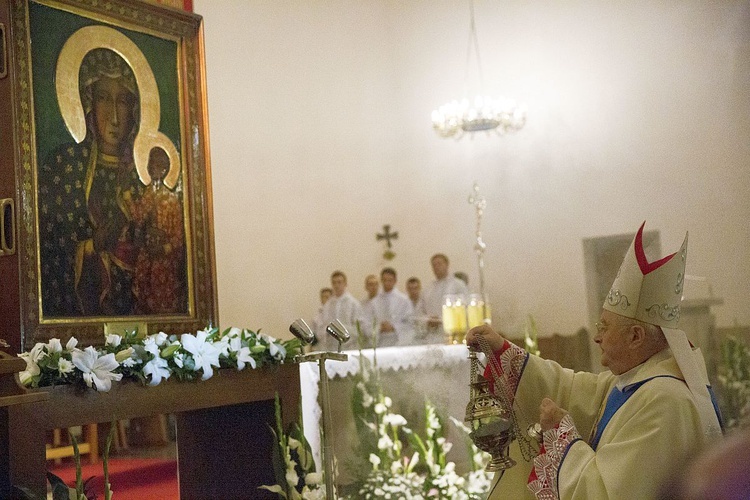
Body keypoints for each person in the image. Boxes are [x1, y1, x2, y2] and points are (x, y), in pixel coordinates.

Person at [466, 222, 722, 500]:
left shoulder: (664, 400)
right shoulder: (638, 380)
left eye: (605, 327)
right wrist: (504, 351)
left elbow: (607, 493)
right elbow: (573, 389)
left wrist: (560, 435)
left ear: (635, 336)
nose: (597, 337)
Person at [39, 48, 144, 316]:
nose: (114, 117)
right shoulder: (64, 166)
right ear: (88, 103)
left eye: (122, 101)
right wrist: (90, 247)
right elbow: (48, 250)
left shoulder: (142, 175)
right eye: (103, 99)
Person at [130, 146, 186, 314]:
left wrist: (162, 249)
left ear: (163, 169)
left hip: (164, 262)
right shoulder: (147, 195)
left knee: (163, 301)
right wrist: (126, 197)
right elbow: (138, 218)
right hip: (146, 257)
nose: (150, 168)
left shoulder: (171, 200)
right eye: (149, 163)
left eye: (155, 165)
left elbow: (178, 236)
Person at [362, 267, 414, 347]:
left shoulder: (404, 300)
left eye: (390, 280)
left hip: (398, 341)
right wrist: (379, 328)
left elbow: (410, 322)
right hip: (380, 342)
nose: (387, 283)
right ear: (381, 281)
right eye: (384, 280)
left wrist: (393, 327)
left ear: (395, 281)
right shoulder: (374, 302)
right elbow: (367, 322)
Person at [313, 271, 363, 351]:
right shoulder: (328, 304)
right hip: (331, 347)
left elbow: (359, 328)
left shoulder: (353, 303)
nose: (336, 285)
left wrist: (342, 331)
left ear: (345, 284)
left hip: (348, 347)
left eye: (339, 282)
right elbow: (322, 325)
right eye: (334, 283)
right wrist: (327, 331)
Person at [423, 254, 469, 334]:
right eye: (434, 265)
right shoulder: (428, 289)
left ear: (447, 265)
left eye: (439, 264)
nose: (436, 267)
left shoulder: (458, 285)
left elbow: (465, 307)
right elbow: (421, 310)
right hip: (432, 334)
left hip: (453, 331)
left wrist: (440, 319)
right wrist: (427, 320)